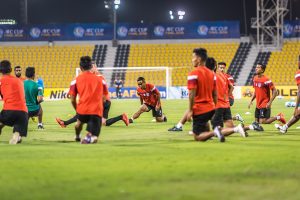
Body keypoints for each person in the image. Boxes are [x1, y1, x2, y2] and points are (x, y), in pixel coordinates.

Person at [55, 62, 129, 135]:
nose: (90, 69)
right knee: (103, 122)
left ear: (95, 68)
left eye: (92, 67)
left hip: (102, 101)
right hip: (105, 102)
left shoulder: (99, 77)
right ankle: (122, 117)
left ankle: (65, 123)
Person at [186, 48, 225, 142]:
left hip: (199, 109)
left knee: (197, 137)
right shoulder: (212, 74)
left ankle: (215, 132)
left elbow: (192, 94)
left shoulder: (193, 73)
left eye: (193, 57)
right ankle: (211, 132)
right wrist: (215, 107)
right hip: (211, 107)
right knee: (205, 127)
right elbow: (215, 94)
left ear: (198, 59)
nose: (192, 60)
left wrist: (190, 110)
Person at [168, 57, 217, 132]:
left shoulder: (207, 75)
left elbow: (213, 93)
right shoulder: (211, 74)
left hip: (206, 102)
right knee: (197, 111)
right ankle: (180, 126)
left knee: (201, 113)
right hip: (209, 102)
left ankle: (218, 131)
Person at [68, 56, 108, 144]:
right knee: (95, 136)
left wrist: (77, 110)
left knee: (78, 124)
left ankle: (78, 136)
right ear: (91, 66)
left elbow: (72, 99)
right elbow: (105, 98)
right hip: (96, 111)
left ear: (81, 68)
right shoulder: (101, 80)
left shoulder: (75, 81)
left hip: (83, 109)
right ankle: (91, 137)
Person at [248, 63, 286, 129]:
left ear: (262, 70)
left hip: (265, 103)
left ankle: (279, 117)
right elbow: (256, 91)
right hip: (258, 104)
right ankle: (278, 117)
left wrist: (270, 102)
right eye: (256, 67)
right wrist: (251, 100)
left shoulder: (266, 80)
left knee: (262, 121)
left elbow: (275, 91)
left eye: (258, 67)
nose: (256, 68)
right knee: (256, 122)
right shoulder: (255, 78)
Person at [0, 60, 28, 144]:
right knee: (18, 127)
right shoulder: (19, 81)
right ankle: (16, 136)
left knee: (3, 120)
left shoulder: (1, 81)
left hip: (8, 111)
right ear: (11, 69)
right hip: (23, 113)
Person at [275, 57, 300, 133]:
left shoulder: (298, 73)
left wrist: (296, 107)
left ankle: (284, 127)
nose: (297, 63)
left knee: (297, 113)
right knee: (298, 114)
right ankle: (284, 127)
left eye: (298, 61)